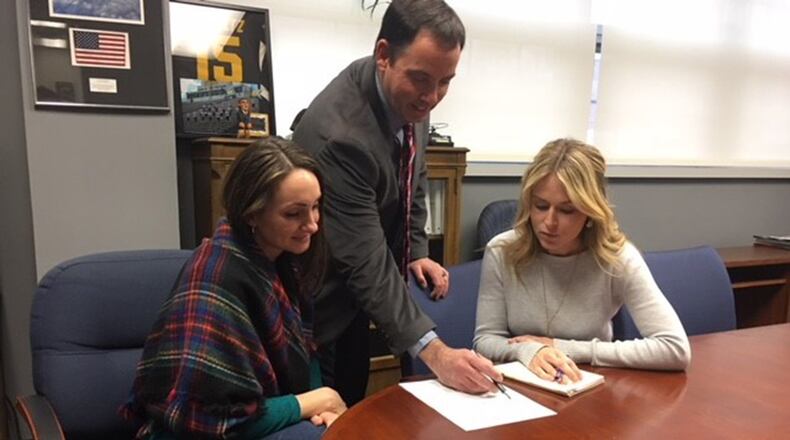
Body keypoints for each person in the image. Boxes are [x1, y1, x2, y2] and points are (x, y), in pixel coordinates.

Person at [293, 0, 501, 405]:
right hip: (318, 308)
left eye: (445, 82)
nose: (432, 97)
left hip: (357, 300)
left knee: (355, 393)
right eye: (422, 80)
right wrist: (435, 353)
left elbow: (414, 174)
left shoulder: (409, 92)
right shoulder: (342, 138)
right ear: (384, 54)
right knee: (333, 414)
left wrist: (416, 250)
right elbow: (365, 260)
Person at [121, 138, 346, 439]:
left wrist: (321, 406)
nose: (313, 225)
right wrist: (314, 401)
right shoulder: (216, 277)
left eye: (316, 207)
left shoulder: (282, 261)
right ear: (251, 213)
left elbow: (305, 356)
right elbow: (211, 419)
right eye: (294, 214)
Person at [474, 138, 691, 384]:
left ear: (590, 212)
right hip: (521, 385)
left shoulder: (618, 258)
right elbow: (485, 340)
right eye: (541, 206)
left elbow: (674, 349)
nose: (549, 222)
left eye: (567, 210)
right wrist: (528, 350)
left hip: (589, 386)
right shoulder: (502, 251)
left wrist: (562, 347)